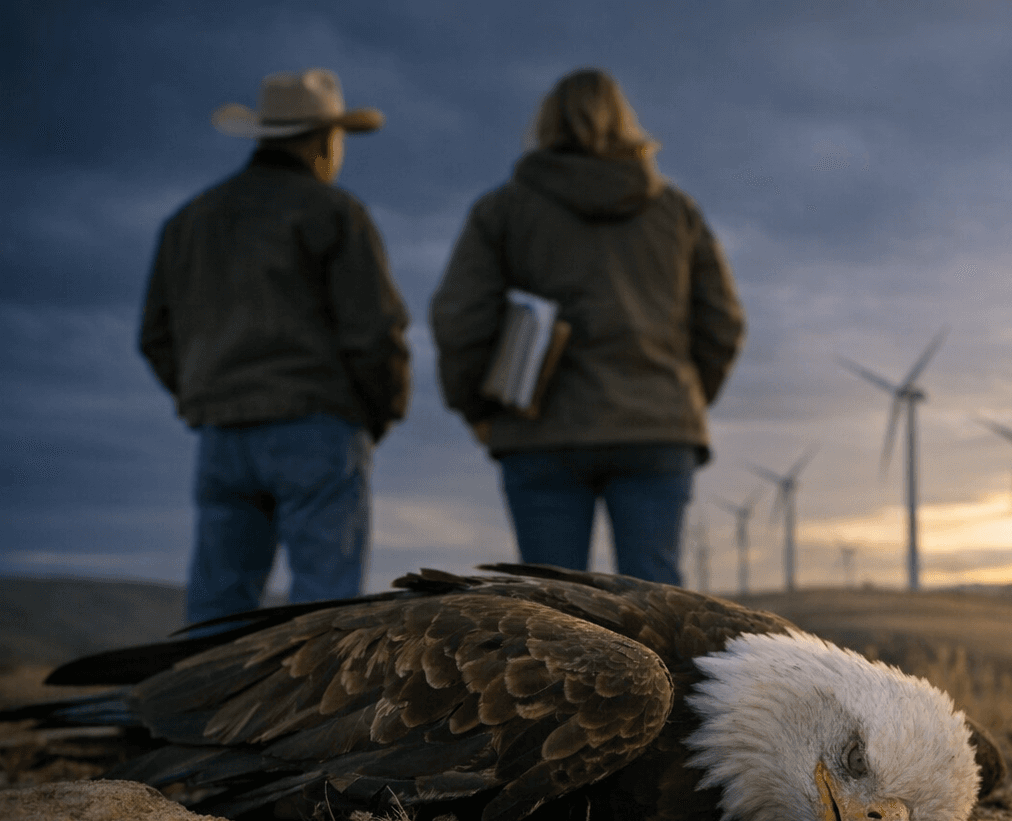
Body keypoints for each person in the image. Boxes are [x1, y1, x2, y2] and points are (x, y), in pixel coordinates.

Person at [431, 69, 745, 585]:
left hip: (541, 431)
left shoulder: (502, 210)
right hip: (656, 428)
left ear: (546, 124)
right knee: (654, 599)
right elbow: (723, 321)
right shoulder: (676, 211)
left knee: (549, 603)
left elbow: (460, 316)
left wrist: (478, 407)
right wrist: (683, 396)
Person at [139, 68, 410, 626]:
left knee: (217, 608)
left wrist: (204, 395)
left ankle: (205, 686)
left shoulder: (189, 220)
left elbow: (156, 337)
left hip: (222, 433)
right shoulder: (335, 212)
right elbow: (376, 333)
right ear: (325, 140)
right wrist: (376, 415)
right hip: (318, 425)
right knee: (323, 609)